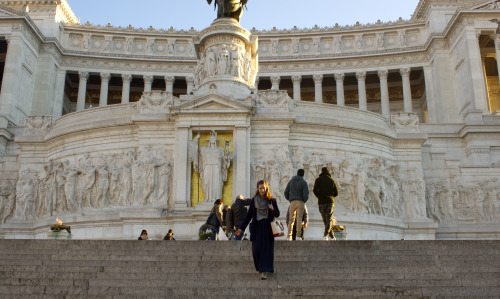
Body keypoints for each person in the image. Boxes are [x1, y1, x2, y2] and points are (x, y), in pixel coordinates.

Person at [236, 180, 280, 280]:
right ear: (258, 189)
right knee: (256, 249)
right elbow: (249, 216)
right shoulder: (254, 200)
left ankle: (264, 271)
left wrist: (272, 208)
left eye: (263, 188)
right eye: (260, 188)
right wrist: (241, 228)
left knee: (267, 250)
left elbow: (277, 214)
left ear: (266, 188)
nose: (262, 190)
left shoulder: (272, 200)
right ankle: (260, 267)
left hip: (268, 228)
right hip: (257, 228)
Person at [313, 167, 339, 241]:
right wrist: (331, 196)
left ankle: (331, 235)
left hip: (321, 202)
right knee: (329, 218)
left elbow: (314, 190)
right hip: (330, 202)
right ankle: (327, 234)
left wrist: (319, 196)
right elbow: (336, 193)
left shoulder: (318, 180)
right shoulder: (331, 180)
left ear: (321, 172)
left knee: (325, 219)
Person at [284, 169, 309, 241]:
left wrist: (290, 199)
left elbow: (286, 192)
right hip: (300, 202)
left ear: (297, 174)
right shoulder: (303, 182)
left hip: (292, 202)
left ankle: (289, 236)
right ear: (303, 175)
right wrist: (304, 200)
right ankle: (298, 236)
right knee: (299, 219)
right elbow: (306, 194)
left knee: (291, 219)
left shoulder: (291, 181)